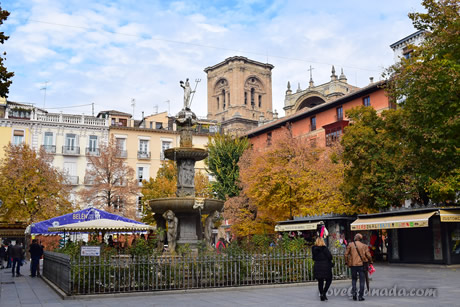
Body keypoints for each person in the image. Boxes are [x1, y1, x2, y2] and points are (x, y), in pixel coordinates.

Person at [345, 233, 373, 301]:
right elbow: (368, 255)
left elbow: (346, 254)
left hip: (353, 265)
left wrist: (347, 262)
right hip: (362, 265)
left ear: (356, 238)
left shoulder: (350, 245)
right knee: (362, 280)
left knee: (354, 279)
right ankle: (360, 296)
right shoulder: (364, 246)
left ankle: (354, 293)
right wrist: (371, 261)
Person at [312, 237, 333, 301]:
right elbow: (330, 257)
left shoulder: (314, 249)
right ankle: (324, 292)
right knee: (329, 280)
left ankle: (321, 294)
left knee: (320, 281)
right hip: (326, 266)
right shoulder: (324, 248)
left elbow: (313, 258)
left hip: (318, 266)